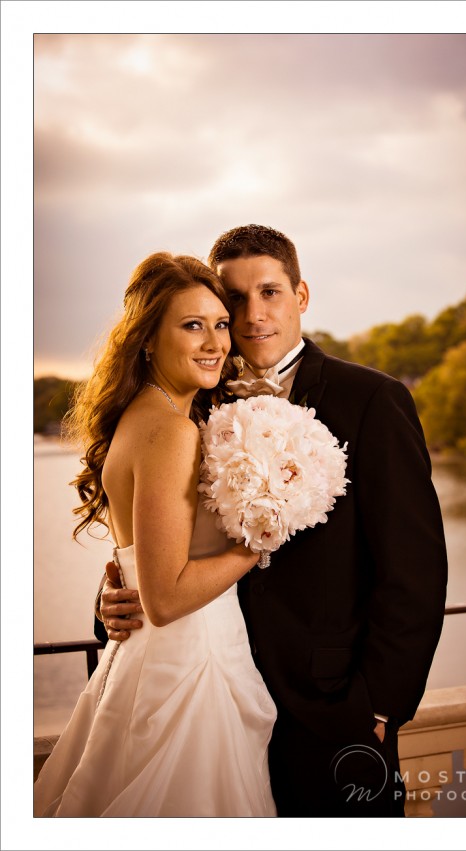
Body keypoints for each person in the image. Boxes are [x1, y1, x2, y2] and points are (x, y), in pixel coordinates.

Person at [97, 225, 449, 817]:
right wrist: (114, 600)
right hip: (214, 698)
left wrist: (380, 711)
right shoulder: (192, 401)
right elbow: (161, 546)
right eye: (234, 299)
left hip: (331, 715)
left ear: (301, 295)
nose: (253, 314)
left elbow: (414, 572)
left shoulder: (372, 401)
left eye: (270, 292)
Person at [34, 252, 277, 817]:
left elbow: (141, 561)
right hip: (191, 666)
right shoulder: (170, 430)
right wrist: (256, 543)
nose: (215, 341)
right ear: (146, 339)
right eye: (192, 325)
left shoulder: (149, 416)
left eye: (220, 324)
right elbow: (165, 598)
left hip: (154, 657)